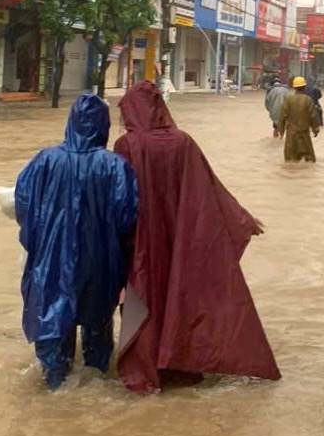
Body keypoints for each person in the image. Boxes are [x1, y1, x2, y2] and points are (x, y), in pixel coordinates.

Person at [114, 81, 281, 394]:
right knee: (181, 297)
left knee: (145, 293)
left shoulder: (128, 145)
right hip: (182, 241)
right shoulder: (183, 142)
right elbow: (208, 189)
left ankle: (148, 371)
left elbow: (121, 199)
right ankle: (181, 366)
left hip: (143, 240)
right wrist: (243, 219)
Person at [15, 94, 139, 389]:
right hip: (100, 259)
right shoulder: (114, 166)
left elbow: (22, 203)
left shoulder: (45, 160)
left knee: (53, 319)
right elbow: (127, 215)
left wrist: (41, 236)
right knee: (97, 323)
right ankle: (95, 377)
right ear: (104, 126)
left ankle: (55, 384)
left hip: (52, 259)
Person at [278, 76, 320, 162]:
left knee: (290, 161)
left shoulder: (288, 100)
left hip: (291, 136)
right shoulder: (307, 100)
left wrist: (281, 131)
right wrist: (315, 129)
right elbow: (313, 116)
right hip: (304, 135)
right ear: (304, 87)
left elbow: (282, 116)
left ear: (294, 87)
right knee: (309, 161)